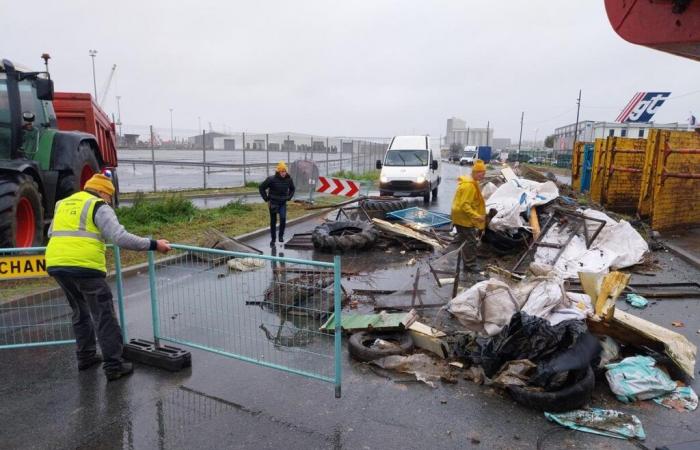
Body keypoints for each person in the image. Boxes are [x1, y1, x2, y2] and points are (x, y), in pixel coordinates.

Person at [45, 173, 171, 381]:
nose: (110, 201)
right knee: (104, 316)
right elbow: (119, 237)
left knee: (80, 311)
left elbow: (52, 233)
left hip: (57, 265)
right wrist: (154, 244)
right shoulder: (98, 206)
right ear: (104, 192)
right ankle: (114, 365)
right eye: (110, 197)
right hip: (85, 267)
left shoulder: (63, 204)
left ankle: (85, 357)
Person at [450, 159, 487, 274]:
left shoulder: (470, 182)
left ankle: (444, 255)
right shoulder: (469, 186)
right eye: (482, 173)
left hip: (459, 215)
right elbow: (465, 205)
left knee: (461, 237)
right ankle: (470, 265)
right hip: (464, 217)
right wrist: (477, 216)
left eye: (484, 173)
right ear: (475, 172)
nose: (484, 176)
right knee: (471, 241)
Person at [259, 161, 295, 246]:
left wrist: (289, 197)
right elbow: (261, 187)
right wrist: (266, 198)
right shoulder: (271, 179)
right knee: (273, 221)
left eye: (285, 171)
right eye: (282, 171)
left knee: (283, 219)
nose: (283, 173)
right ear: (278, 171)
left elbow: (293, 189)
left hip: (283, 202)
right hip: (273, 202)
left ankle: (281, 236)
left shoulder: (289, 179)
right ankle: (273, 239)